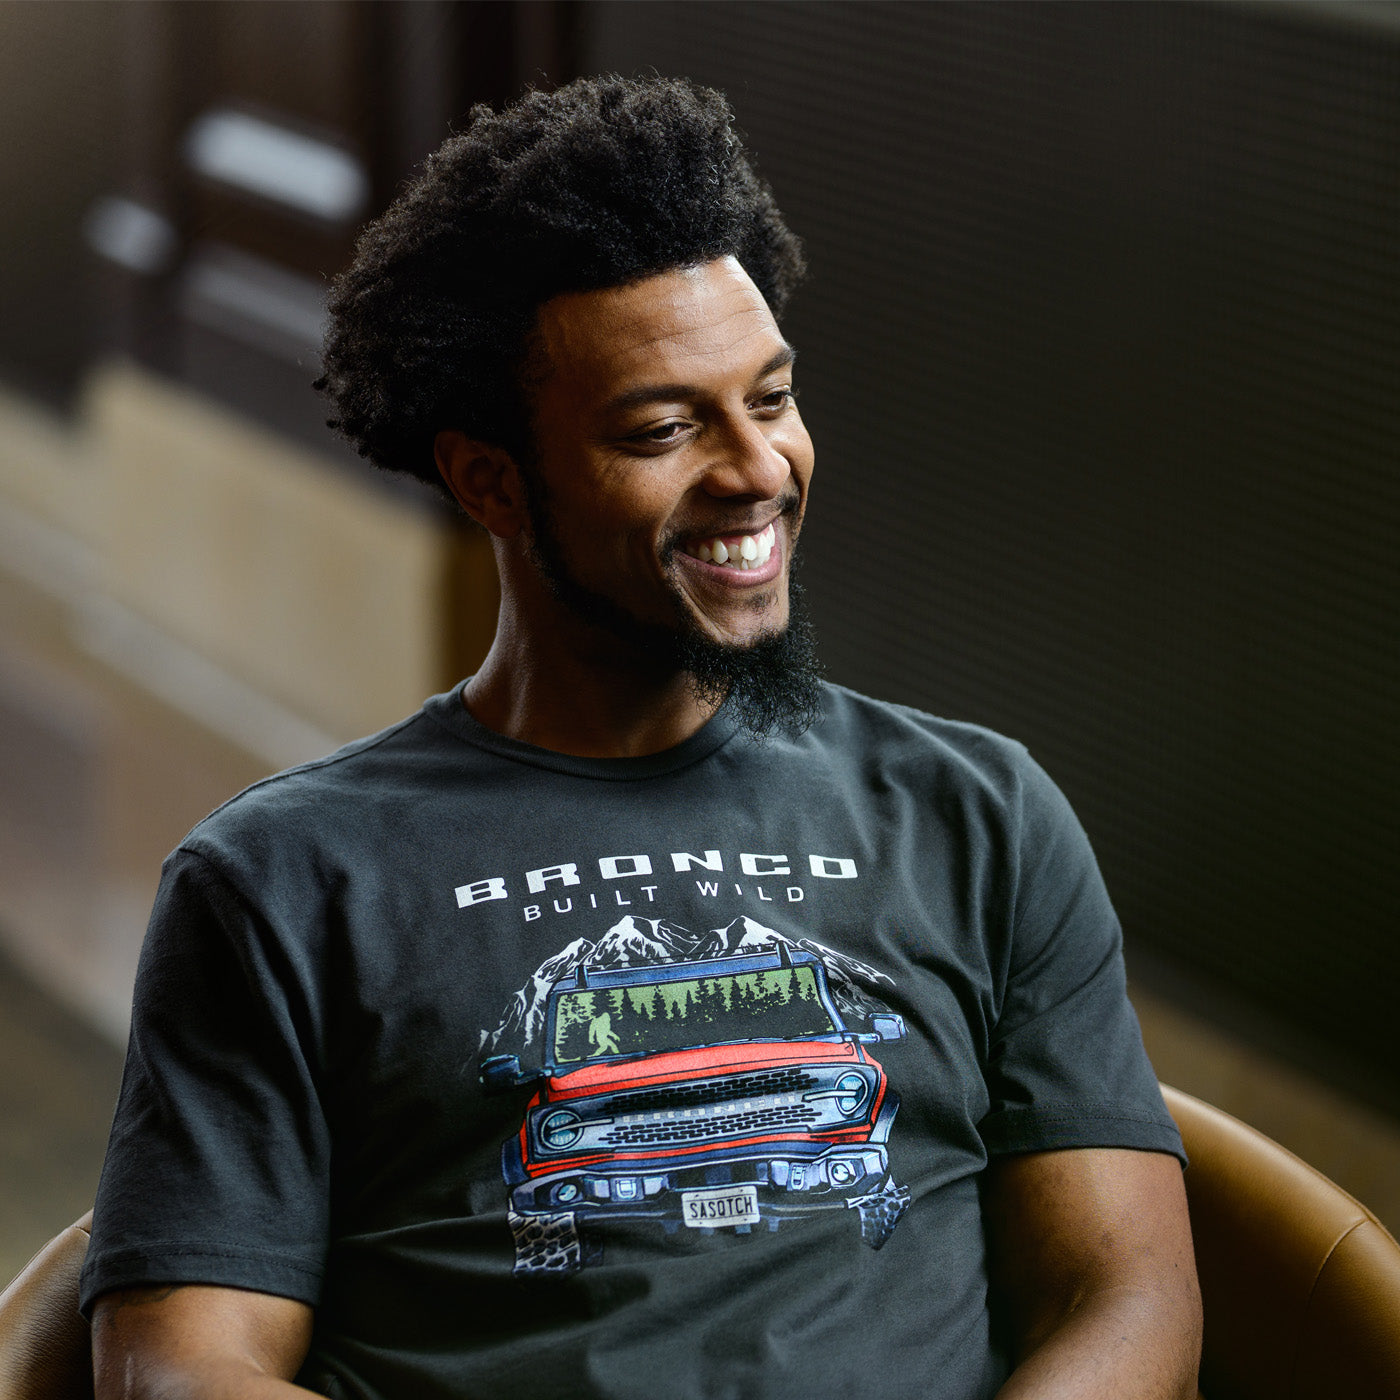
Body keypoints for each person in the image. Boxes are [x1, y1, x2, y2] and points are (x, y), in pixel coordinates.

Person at [80, 75, 1201, 1399]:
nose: (757, 471)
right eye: (665, 428)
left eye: (771, 398)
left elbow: (1125, 1300)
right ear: (489, 479)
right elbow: (181, 1371)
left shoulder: (979, 815)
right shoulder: (279, 882)